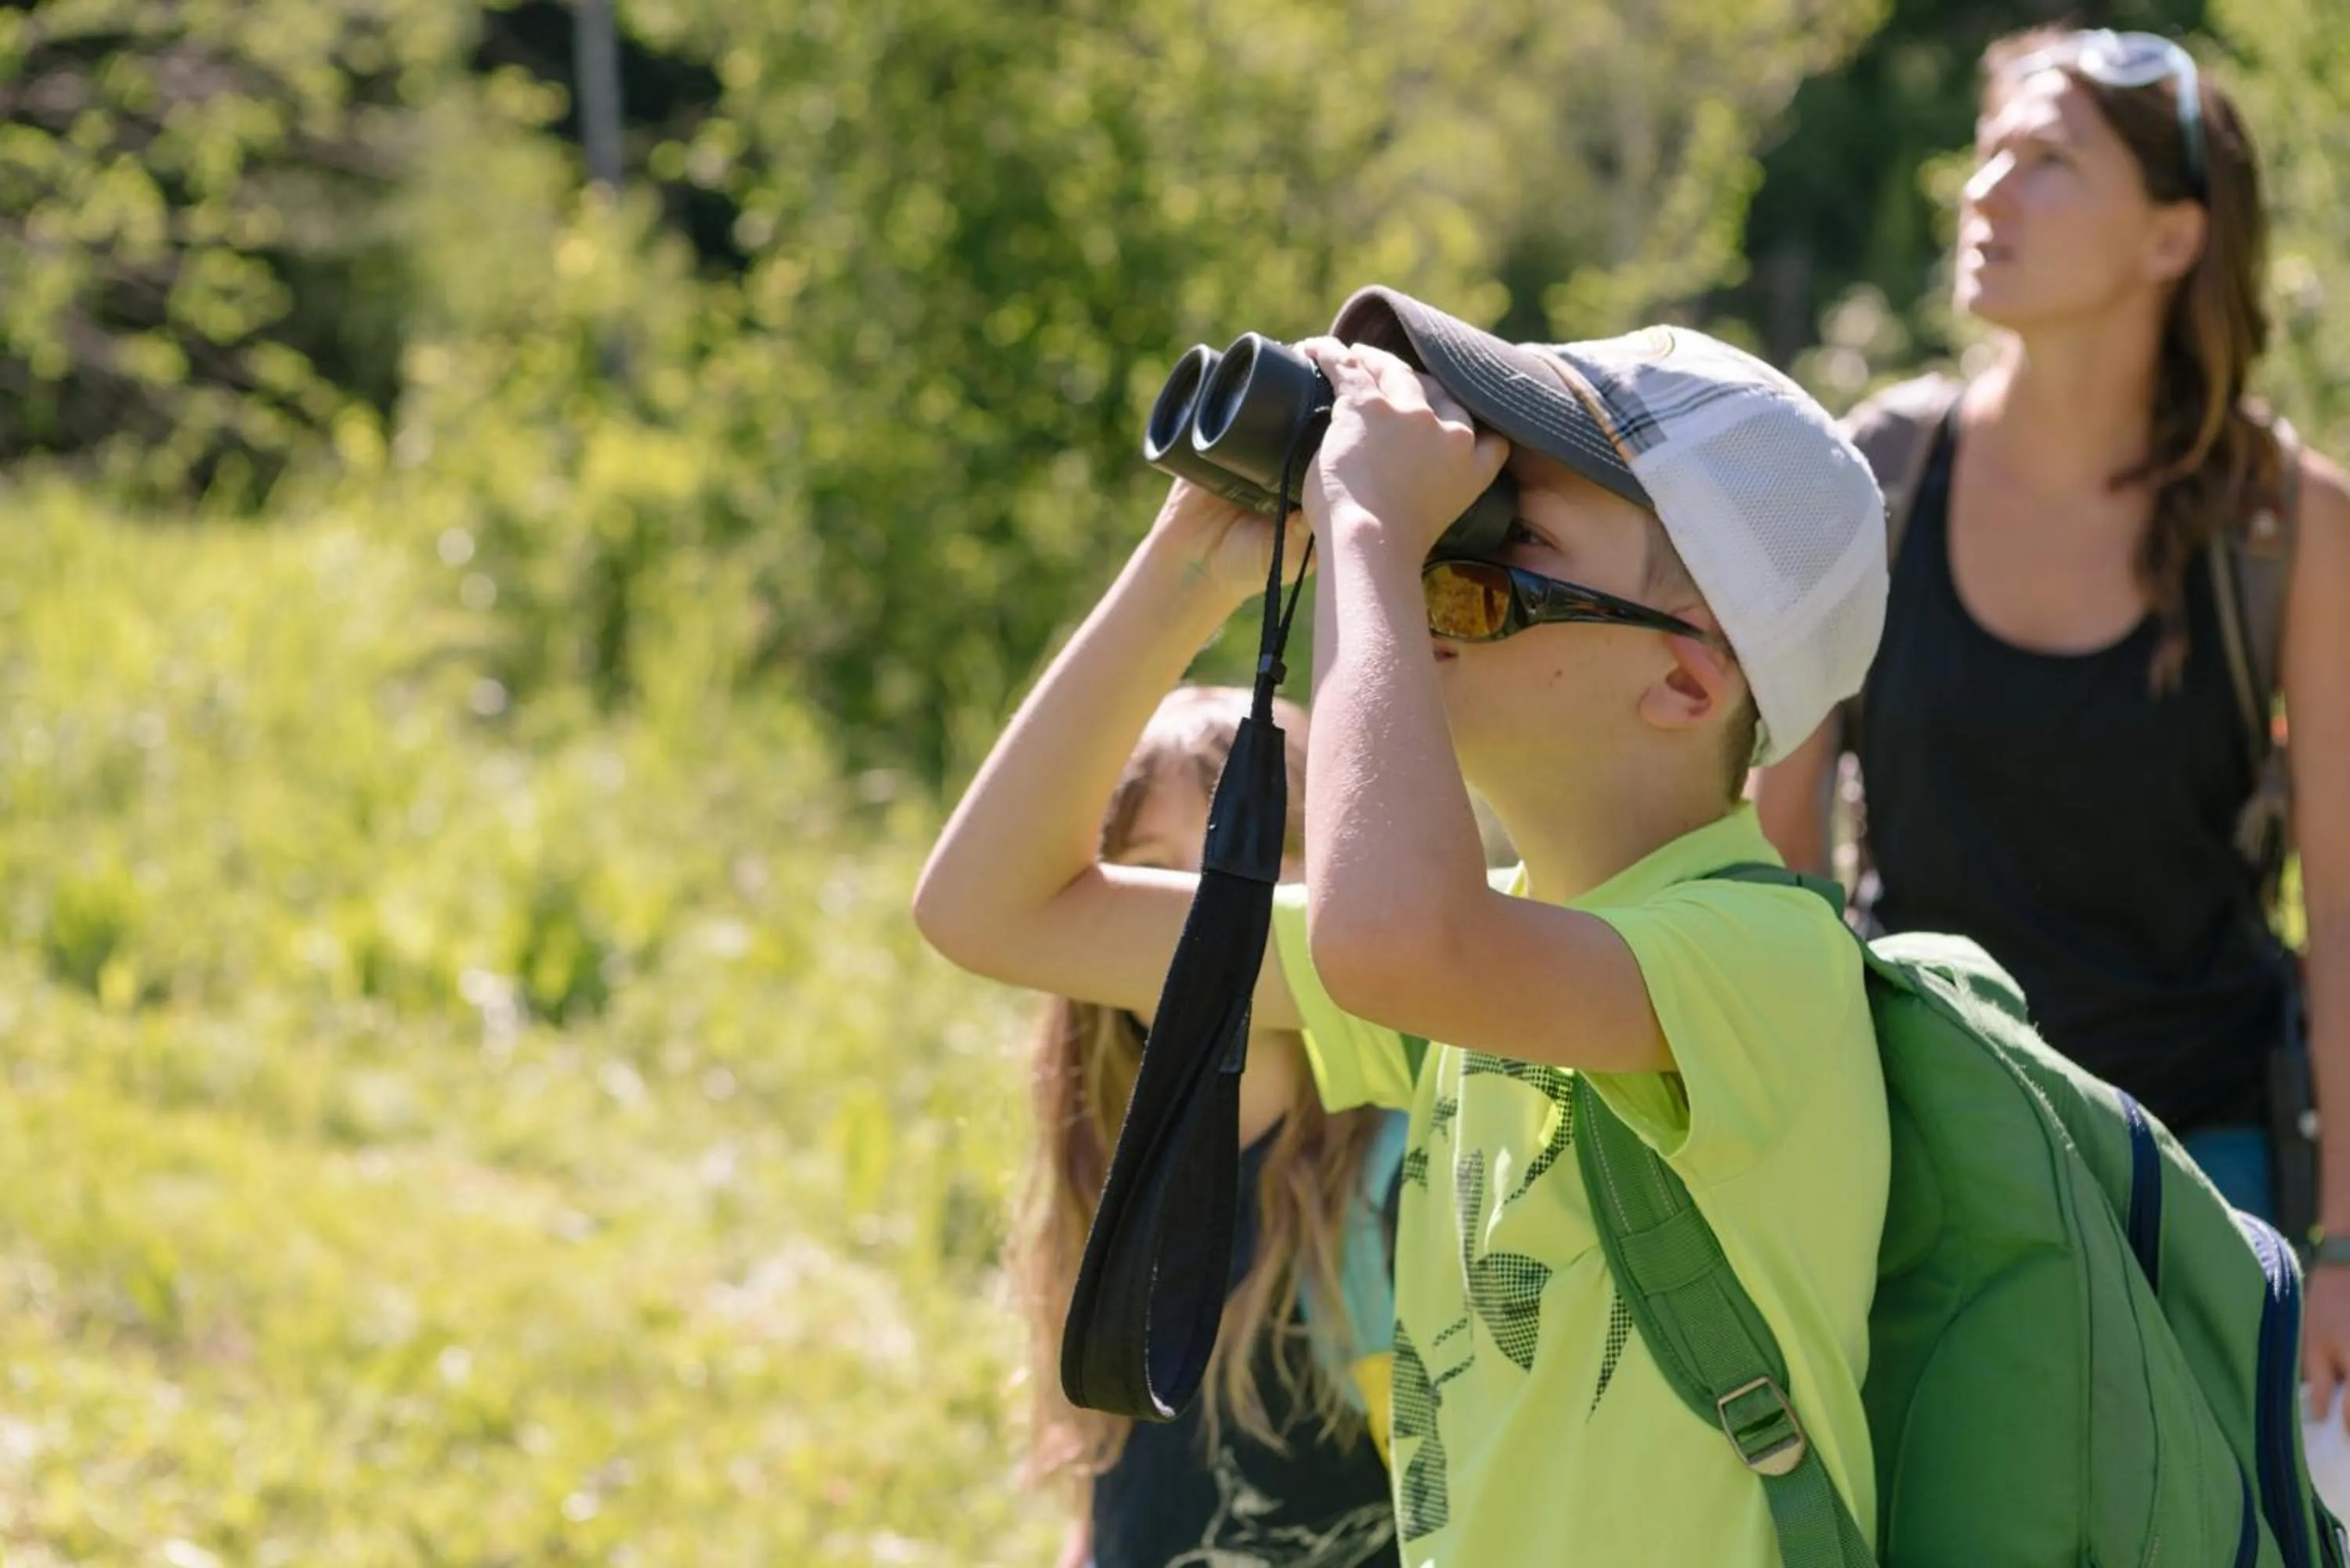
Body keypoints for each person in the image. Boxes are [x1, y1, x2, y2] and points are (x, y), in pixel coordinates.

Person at [917, 281, 1893, 1566]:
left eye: (1508, 543)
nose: (1444, 567)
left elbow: (1392, 943)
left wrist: (1371, 529)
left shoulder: (1762, 960)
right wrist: (1193, 565)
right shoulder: (1499, 945)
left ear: (1687, 676)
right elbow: (995, 907)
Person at [1750, 27, 2350, 1424]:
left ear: (2173, 236)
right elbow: (1781, 876)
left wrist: (2337, 1247)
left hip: (2208, 1182)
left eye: (2050, 161)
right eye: (1992, 153)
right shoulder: (1877, 472)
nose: (1986, 191)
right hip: (1928, 1166)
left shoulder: (2289, 521)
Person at [992, 685, 1405, 1568]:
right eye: (1148, 866)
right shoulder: (1106, 1174)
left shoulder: (1396, 1189)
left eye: (1254, 851)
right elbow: (1120, 1499)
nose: (1194, 905)